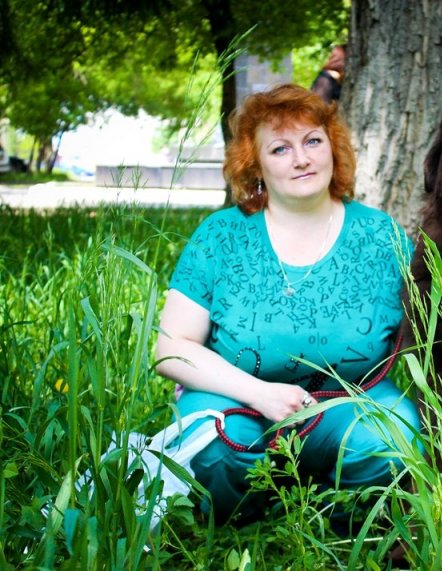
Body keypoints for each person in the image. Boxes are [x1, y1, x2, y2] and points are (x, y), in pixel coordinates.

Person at [155, 84, 420, 524]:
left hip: (350, 401)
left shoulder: (380, 236)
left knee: (391, 437)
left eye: (313, 141)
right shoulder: (222, 235)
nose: (302, 158)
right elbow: (172, 347)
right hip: (235, 399)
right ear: (255, 164)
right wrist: (261, 394)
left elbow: (433, 332)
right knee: (217, 447)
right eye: (280, 148)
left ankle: (344, 521)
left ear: (332, 148)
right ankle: (236, 526)